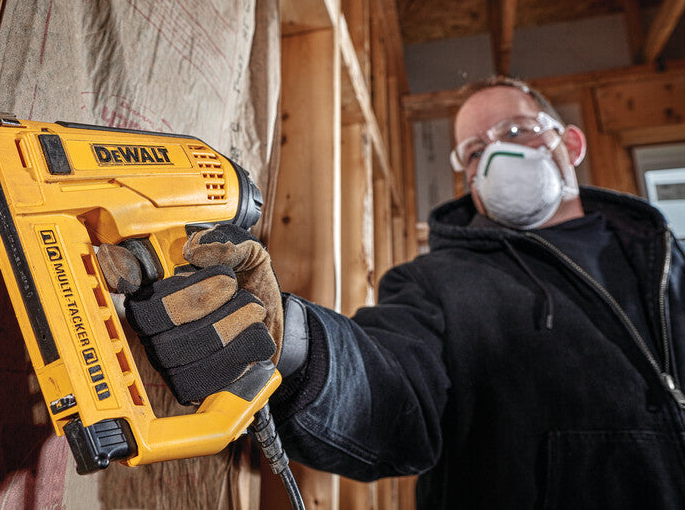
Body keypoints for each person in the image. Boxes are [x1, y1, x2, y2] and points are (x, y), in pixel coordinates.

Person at [124, 77, 685, 509]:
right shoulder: (437, 282)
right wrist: (289, 337)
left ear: (572, 142)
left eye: (515, 131)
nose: (496, 157)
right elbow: (391, 388)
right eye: (473, 151)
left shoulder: (664, 259)